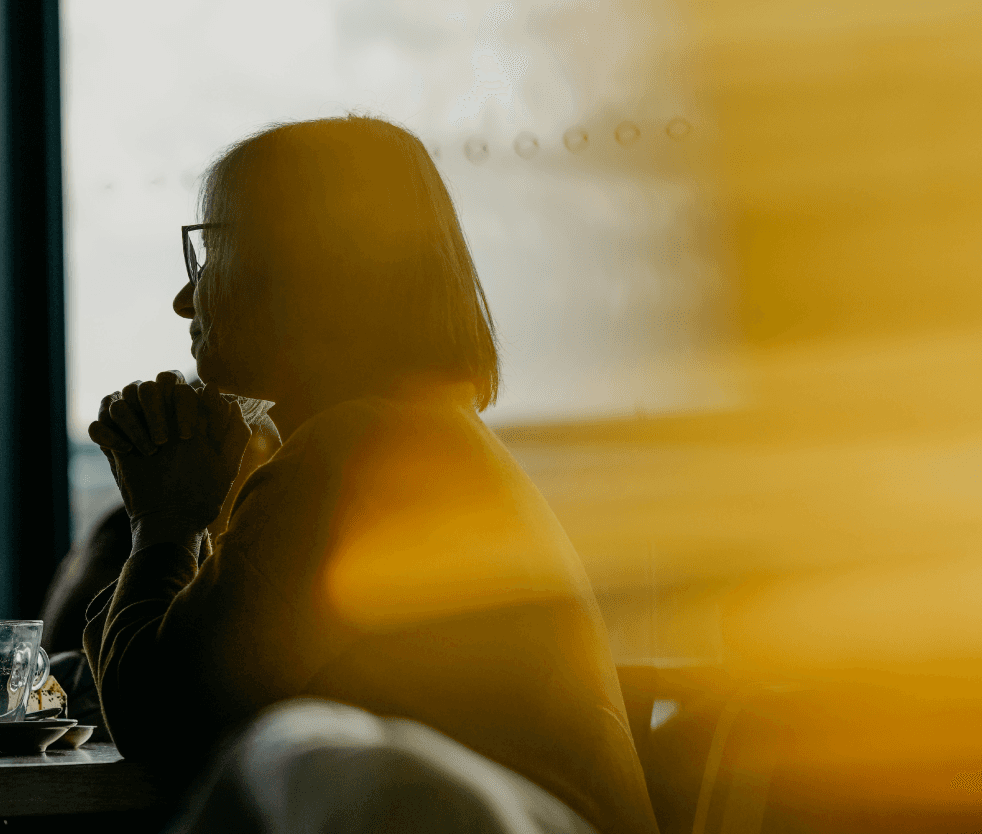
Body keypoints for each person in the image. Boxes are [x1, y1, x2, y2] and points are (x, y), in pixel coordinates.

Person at [83, 115, 658, 834]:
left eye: (212, 250)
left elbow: (164, 726)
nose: (186, 299)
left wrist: (162, 523)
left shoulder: (347, 457)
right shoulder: (414, 435)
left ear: (298, 264)